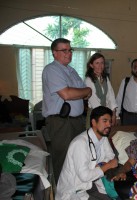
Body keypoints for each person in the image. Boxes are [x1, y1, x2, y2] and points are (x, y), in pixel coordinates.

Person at [42, 38, 92, 182]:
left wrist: (83, 91)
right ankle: (62, 193)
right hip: (61, 122)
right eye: (64, 50)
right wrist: (86, 90)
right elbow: (66, 94)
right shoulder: (51, 69)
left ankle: (76, 189)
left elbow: (84, 93)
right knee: (63, 159)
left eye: (70, 50)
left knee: (78, 157)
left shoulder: (71, 70)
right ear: (54, 53)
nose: (68, 53)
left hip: (77, 121)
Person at [55, 106, 118, 200]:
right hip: (76, 189)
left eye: (110, 121)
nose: (109, 125)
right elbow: (85, 176)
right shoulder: (80, 143)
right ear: (93, 122)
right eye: (104, 121)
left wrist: (100, 165)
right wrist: (107, 166)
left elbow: (111, 156)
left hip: (91, 184)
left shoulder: (103, 137)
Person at [84, 52, 118, 128]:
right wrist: (105, 117)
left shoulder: (105, 79)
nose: (100, 66)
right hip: (95, 114)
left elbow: (111, 97)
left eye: (102, 63)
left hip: (106, 114)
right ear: (91, 65)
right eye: (97, 63)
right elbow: (94, 102)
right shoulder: (88, 80)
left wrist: (114, 114)